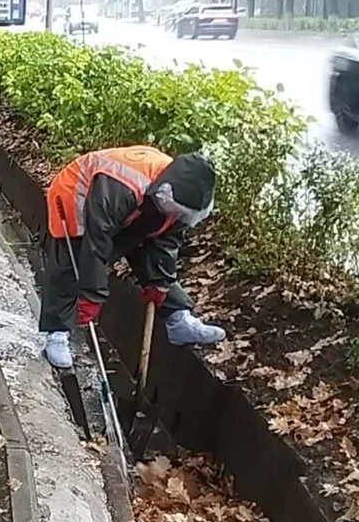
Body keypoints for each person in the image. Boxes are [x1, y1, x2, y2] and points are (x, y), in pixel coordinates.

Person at [40, 144, 226, 369]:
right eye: (177, 211)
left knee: (147, 252)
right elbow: (98, 241)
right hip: (76, 197)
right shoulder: (122, 185)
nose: (179, 216)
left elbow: (166, 243)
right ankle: (57, 333)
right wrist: (92, 294)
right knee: (71, 262)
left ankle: (179, 320)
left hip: (134, 205)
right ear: (166, 193)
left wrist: (161, 284)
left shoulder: (183, 195)